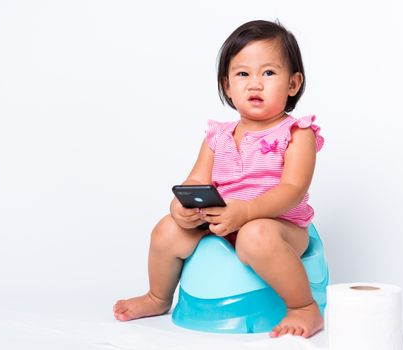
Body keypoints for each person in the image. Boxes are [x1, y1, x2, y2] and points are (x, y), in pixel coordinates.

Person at [113, 19, 324, 338]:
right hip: (223, 224)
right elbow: (195, 182)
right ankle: (158, 297)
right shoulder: (218, 136)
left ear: (293, 84)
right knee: (166, 231)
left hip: (280, 228)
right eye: (243, 74)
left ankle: (303, 307)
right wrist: (181, 209)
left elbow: (293, 190)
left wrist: (248, 212)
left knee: (256, 234)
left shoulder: (297, 133)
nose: (255, 83)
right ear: (227, 86)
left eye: (268, 73)